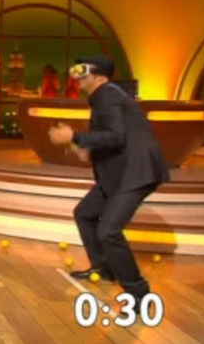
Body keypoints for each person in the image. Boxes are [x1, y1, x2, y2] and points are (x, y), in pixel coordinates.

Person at [48, 56, 169, 314]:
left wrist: (75, 136)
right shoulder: (104, 97)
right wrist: (83, 148)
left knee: (109, 231)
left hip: (136, 173)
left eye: (83, 72)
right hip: (119, 174)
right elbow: (112, 138)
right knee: (85, 213)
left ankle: (139, 294)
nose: (78, 77)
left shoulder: (108, 94)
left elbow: (115, 136)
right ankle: (104, 268)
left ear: (100, 76)